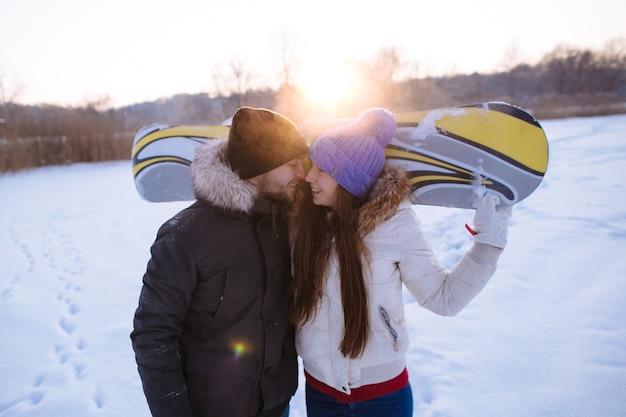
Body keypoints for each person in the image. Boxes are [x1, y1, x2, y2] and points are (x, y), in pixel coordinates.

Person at [290, 107, 512, 416]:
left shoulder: (394, 225)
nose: (309, 176)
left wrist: (488, 243)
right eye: (311, 165)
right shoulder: (302, 227)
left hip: (382, 399)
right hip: (320, 395)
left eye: (322, 169)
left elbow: (443, 299)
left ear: (349, 179)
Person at [131, 106, 309, 417]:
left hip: (277, 405)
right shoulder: (185, 235)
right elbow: (153, 334)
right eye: (293, 164)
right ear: (261, 166)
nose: (302, 174)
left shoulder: (285, 223)